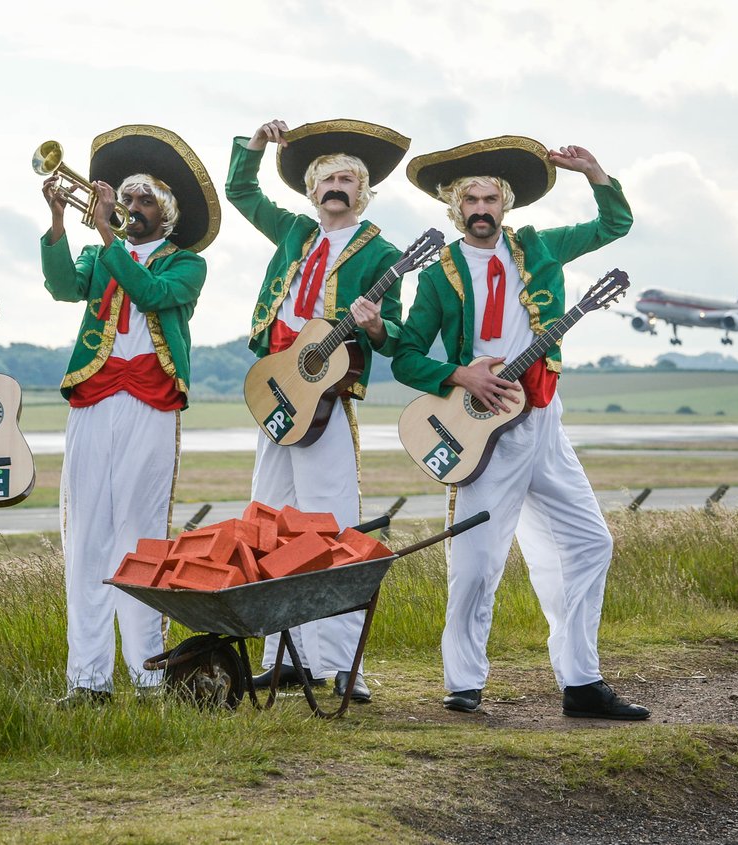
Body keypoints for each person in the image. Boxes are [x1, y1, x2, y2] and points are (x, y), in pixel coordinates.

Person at [391, 137, 649, 720]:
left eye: (490, 198)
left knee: (590, 542)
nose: (481, 208)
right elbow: (405, 355)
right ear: (455, 209)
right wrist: (461, 374)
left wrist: (595, 170)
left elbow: (616, 224)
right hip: (478, 430)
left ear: (505, 204)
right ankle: (463, 682)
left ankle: (581, 682)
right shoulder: (438, 278)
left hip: (543, 421)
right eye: (469, 200)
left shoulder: (542, 247)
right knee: (478, 560)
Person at [225, 118, 409, 703]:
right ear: (310, 190)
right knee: (268, 522)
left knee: (332, 528)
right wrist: (253, 145)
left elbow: (395, 333)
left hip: (326, 404)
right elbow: (241, 193)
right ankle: (282, 657)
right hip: (278, 394)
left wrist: (379, 325)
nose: (337, 186)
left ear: (364, 191)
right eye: (327, 178)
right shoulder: (296, 234)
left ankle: (342, 665)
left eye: (349, 179)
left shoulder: (384, 252)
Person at [40, 125, 219, 706]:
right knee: (86, 537)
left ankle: (147, 675)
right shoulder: (98, 253)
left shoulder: (187, 264)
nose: (132, 208)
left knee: (141, 537)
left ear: (165, 215)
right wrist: (61, 225)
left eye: (145, 201)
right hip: (94, 397)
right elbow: (62, 286)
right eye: (128, 198)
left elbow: (147, 293)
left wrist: (104, 232)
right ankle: (86, 679)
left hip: (151, 400)